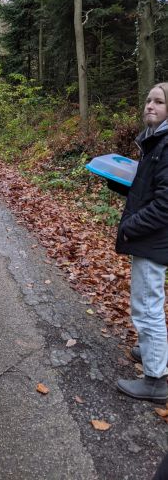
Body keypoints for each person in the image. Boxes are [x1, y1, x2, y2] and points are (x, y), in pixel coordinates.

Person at [109, 83, 168, 404]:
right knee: (149, 302)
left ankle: (156, 380)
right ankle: (151, 351)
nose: (150, 106)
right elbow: (149, 188)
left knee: (147, 307)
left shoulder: (165, 144)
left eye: (159, 102)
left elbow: (164, 205)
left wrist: (131, 226)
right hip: (152, 238)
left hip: (153, 238)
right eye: (148, 100)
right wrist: (119, 185)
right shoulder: (155, 140)